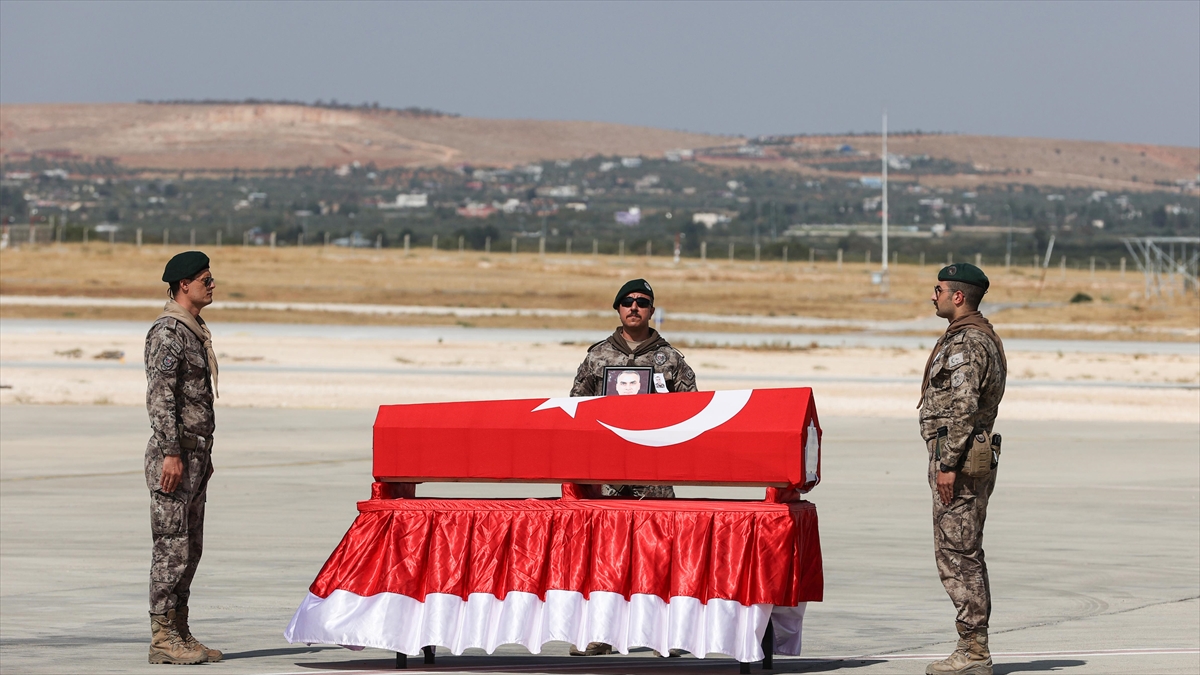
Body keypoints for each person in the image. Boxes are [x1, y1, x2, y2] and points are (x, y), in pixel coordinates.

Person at [568, 278, 697, 658]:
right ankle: (601, 635)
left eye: (642, 302)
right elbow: (576, 408)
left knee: (658, 557)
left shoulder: (670, 359)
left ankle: (664, 636)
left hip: (654, 477)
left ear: (651, 310)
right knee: (606, 556)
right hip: (608, 477)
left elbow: (691, 413)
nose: (635, 307)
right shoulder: (597, 357)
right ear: (618, 308)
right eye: (628, 301)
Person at [919, 263, 1007, 675]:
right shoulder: (976, 336)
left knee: (957, 555)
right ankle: (973, 647)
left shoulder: (969, 343)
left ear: (957, 296)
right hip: (966, 456)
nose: (931, 295)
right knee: (964, 550)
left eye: (937, 289)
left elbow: (964, 407)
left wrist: (947, 465)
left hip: (960, 460)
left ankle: (973, 651)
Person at [144, 251, 222, 665]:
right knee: (170, 547)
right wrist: (172, 453)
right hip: (174, 459)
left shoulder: (194, 331)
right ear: (183, 285)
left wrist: (201, 455)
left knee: (190, 548)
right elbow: (160, 399)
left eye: (211, 278)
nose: (212, 285)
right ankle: (162, 636)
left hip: (194, 458)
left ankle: (179, 629)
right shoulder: (168, 333)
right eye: (205, 279)